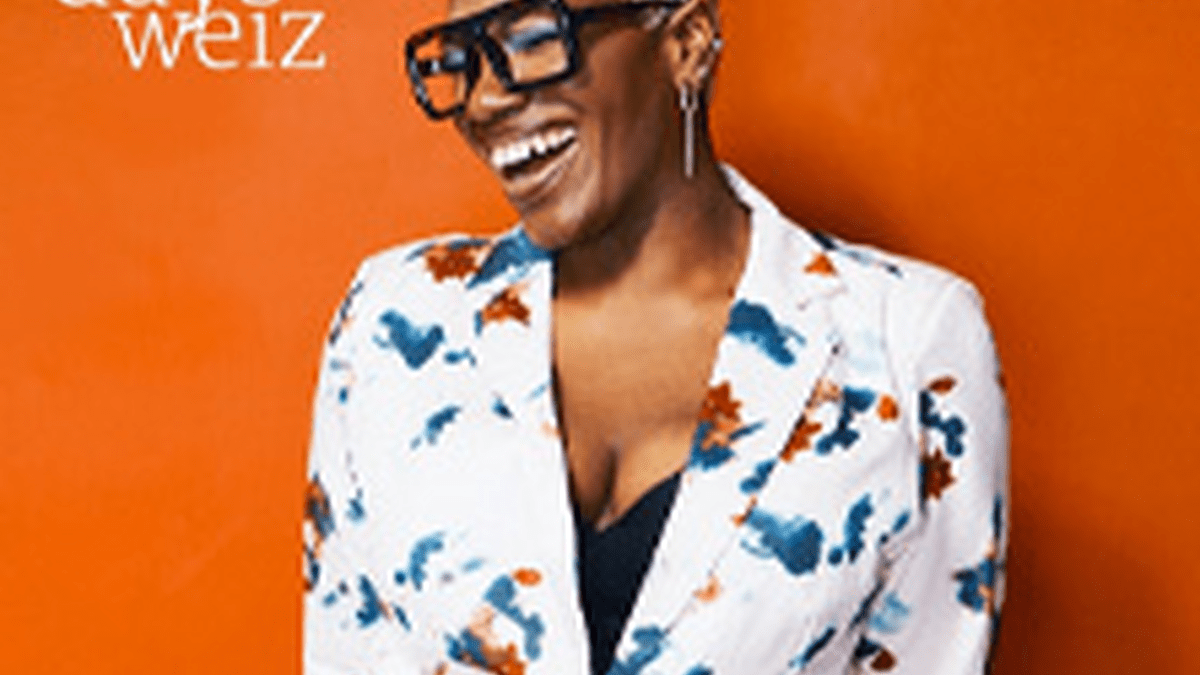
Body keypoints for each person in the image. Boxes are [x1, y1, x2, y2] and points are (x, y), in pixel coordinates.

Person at [302, 0, 1010, 673]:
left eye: (532, 37)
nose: (484, 101)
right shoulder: (391, 327)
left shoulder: (905, 345)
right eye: (460, 60)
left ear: (686, 44)